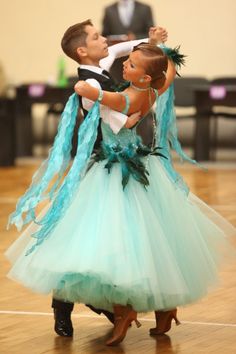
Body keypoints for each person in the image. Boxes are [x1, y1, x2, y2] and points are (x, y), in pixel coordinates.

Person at [6, 20, 168, 339]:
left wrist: (146, 42)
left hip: (121, 165)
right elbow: (120, 123)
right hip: (100, 167)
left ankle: (111, 304)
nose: (104, 39)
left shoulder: (101, 64)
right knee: (81, 239)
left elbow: (120, 49)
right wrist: (139, 110)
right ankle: (68, 308)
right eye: (97, 37)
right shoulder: (89, 85)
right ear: (83, 51)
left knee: (114, 238)